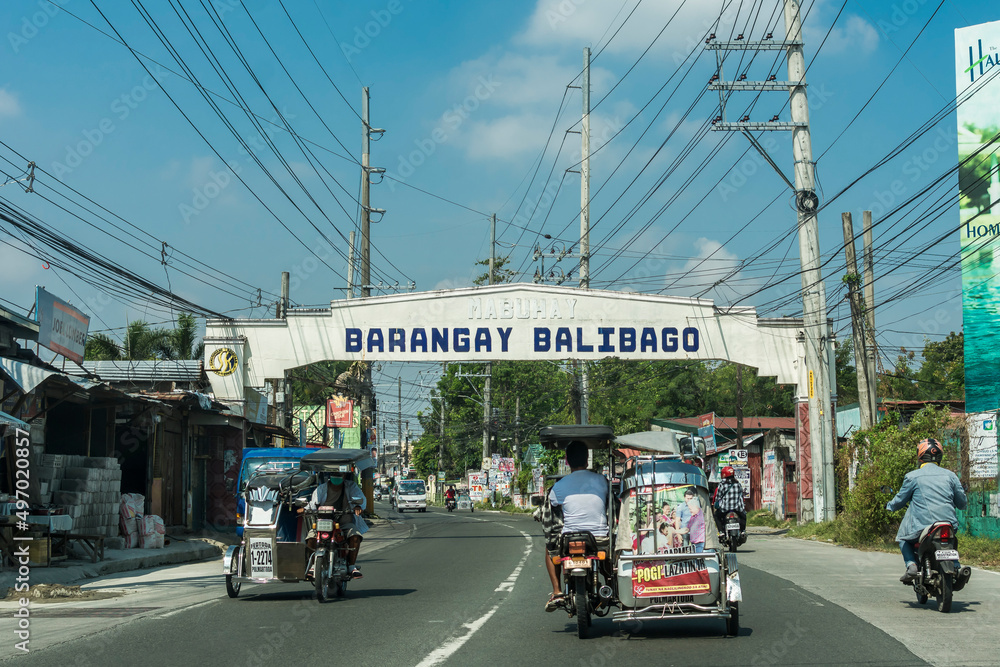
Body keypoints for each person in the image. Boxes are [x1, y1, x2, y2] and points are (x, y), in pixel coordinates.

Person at [886, 438, 967, 584]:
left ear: (920, 456)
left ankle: (911, 565)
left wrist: (889, 506)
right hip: (949, 525)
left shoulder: (912, 477)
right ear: (940, 455)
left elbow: (899, 500)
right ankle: (956, 566)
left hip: (921, 527)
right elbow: (962, 503)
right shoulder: (951, 476)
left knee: (903, 539)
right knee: (951, 540)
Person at [542, 441, 609, 612]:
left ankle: (557, 591)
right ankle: (610, 583)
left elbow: (551, 509)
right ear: (587, 460)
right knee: (613, 550)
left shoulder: (558, 486)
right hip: (600, 539)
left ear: (567, 461)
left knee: (549, 548)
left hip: (569, 540)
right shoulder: (602, 480)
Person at [303, 472, 369, 579]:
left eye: (339, 474)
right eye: (334, 474)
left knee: (355, 536)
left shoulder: (351, 486)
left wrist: (358, 506)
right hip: (324, 523)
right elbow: (313, 503)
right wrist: (305, 509)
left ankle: (352, 567)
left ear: (344, 476)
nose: (337, 477)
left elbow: (360, 499)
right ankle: (313, 565)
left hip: (344, 523)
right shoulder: (321, 489)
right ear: (329, 476)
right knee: (311, 538)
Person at [713, 466, 747, 534]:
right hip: (737, 508)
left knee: (716, 516)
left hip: (725, 509)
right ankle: (743, 531)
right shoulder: (738, 484)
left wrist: (716, 503)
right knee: (744, 516)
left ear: (723, 474)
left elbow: (718, 496)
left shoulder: (722, 484)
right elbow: (741, 495)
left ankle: (721, 532)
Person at [674, 487, 706, 552]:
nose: (689, 500)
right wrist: (676, 533)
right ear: (684, 497)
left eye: (691, 498)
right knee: (685, 549)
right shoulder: (681, 507)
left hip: (698, 539)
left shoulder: (699, 512)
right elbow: (679, 521)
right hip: (687, 533)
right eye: (687, 498)